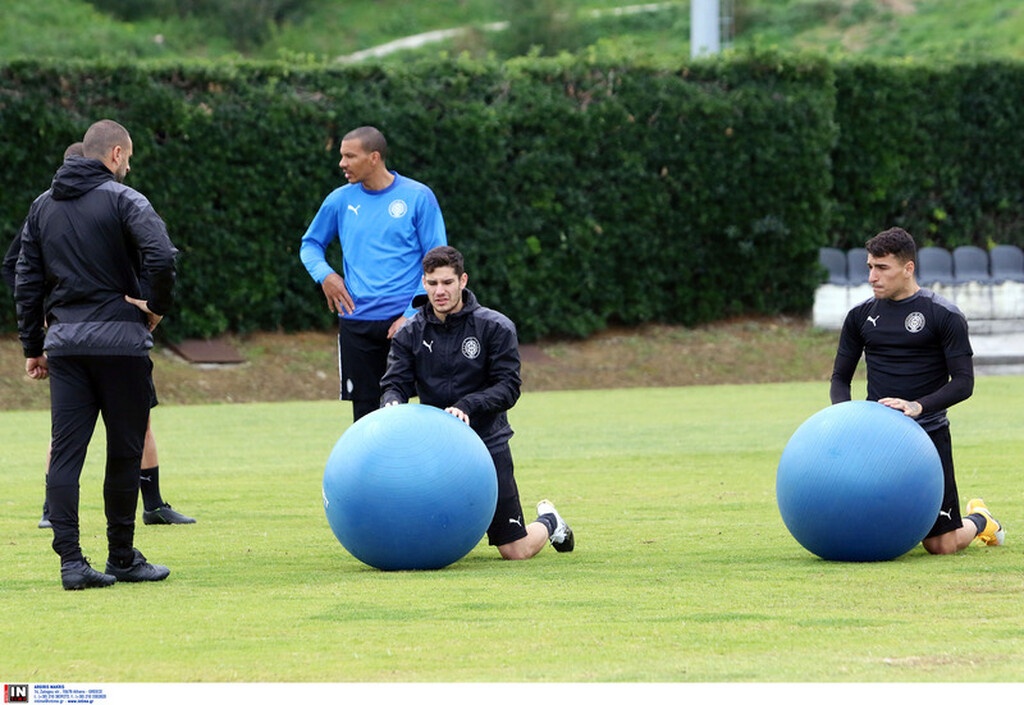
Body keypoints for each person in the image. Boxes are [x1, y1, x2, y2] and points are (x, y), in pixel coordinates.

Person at [15, 119, 178, 589]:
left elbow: (26, 281)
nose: (128, 163)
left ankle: (71, 563)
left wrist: (33, 346)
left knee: (66, 453)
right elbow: (163, 256)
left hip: (65, 344)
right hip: (121, 345)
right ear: (115, 155)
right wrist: (155, 307)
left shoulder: (42, 207)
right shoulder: (126, 199)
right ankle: (122, 557)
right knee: (124, 453)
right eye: (128, 155)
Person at [380, 245, 574, 559]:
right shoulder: (410, 332)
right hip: (434, 448)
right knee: (423, 540)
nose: (439, 291)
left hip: (486, 444)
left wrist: (468, 406)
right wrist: (391, 403)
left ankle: (550, 520)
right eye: (432, 283)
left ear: (463, 281)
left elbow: (509, 387)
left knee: (516, 551)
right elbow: (395, 383)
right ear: (424, 283)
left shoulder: (495, 327)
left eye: (447, 283)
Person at [829, 227, 1005, 555]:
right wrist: (845, 419)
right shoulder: (860, 317)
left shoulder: (944, 315)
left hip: (928, 436)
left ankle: (981, 519)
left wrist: (917, 406)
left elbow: (964, 382)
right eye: (869, 267)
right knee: (860, 523)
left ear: (908, 268)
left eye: (882, 268)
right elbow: (840, 379)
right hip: (876, 437)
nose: (872, 277)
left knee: (941, 545)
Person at [299, 126, 447, 423]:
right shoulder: (339, 200)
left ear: (374, 158)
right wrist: (326, 275)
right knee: (366, 417)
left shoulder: (418, 197)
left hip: (408, 323)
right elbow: (310, 245)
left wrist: (411, 314)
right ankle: (372, 472)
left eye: (349, 156)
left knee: (418, 411)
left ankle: (420, 470)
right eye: (342, 156)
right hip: (357, 321)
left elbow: (438, 260)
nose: (342, 163)